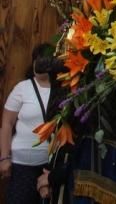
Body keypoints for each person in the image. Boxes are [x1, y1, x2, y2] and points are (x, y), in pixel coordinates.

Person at [0, 43, 52, 204]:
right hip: (21, 165)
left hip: (50, 167)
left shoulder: (62, 89)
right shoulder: (22, 88)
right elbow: (7, 124)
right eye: (37, 59)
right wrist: (4, 158)